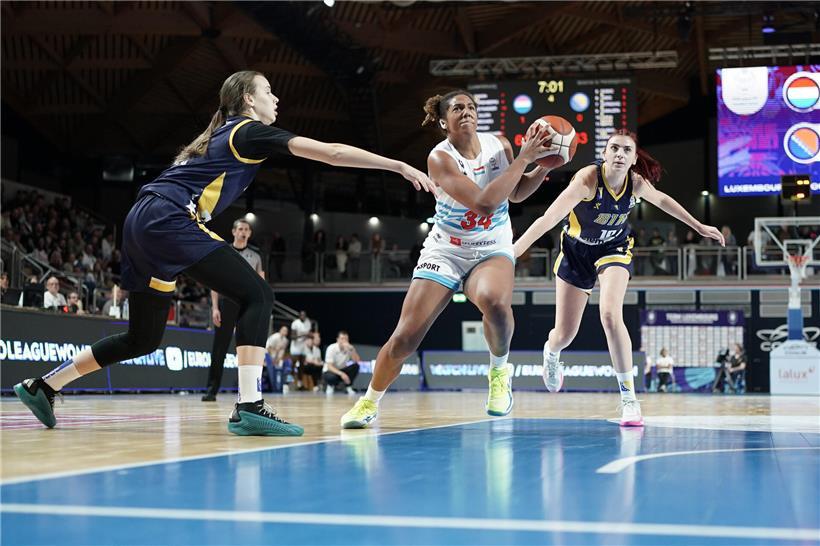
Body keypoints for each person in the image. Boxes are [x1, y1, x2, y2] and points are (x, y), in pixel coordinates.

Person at [13, 70, 435, 437]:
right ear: (248, 99)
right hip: (166, 218)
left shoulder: (219, 136)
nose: (276, 98)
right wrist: (397, 166)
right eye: (268, 91)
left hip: (142, 222)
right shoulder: (246, 131)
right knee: (259, 295)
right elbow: (332, 152)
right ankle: (250, 406)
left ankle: (43, 386)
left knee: (142, 338)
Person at [340, 89, 555, 428]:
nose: (466, 111)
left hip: (491, 244)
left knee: (495, 303)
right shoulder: (439, 158)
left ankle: (499, 373)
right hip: (447, 249)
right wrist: (525, 159)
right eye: (457, 108)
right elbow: (484, 203)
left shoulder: (500, 144)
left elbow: (514, 194)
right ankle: (369, 402)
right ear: (443, 121)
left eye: (471, 106)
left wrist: (543, 167)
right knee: (405, 338)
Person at [512, 129, 725, 426]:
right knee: (564, 335)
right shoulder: (586, 180)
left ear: (633, 158)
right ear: (604, 153)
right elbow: (548, 219)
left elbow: (662, 201)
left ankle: (629, 400)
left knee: (611, 314)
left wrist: (699, 225)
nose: (620, 154)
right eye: (614, 148)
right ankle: (551, 353)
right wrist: (513, 251)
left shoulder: (635, 183)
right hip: (576, 252)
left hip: (614, 250)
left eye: (626, 150)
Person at [202, 218, 264, 402]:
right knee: (219, 349)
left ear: (250, 233)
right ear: (234, 231)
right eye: (240, 229)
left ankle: (247, 393)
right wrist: (214, 308)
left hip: (247, 305)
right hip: (226, 304)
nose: (243, 232)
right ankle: (211, 390)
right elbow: (215, 282)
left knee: (247, 350)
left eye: (247, 229)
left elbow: (262, 284)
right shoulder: (224, 252)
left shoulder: (256, 257)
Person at [324, 331, 361, 395]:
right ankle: (330, 386)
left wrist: (352, 349)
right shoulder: (331, 348)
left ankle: (348, 387)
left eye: (346, 339)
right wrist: (341, 374)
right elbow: (329, 366)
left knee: (356, 366)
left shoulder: (349, 348)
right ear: (337, 339)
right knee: (330, 377)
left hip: (342, 369)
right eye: (342, 339)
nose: (344, 341)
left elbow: (357, 360)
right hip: (330, 371)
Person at [289, 310, 312, 389]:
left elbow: (309, 334)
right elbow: (293, 337)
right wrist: (304, 334)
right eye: (301, 315)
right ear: (299, 316)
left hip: (303, 347)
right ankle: (289, 383)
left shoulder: (308, 322)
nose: (303, 316)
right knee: (293, 365)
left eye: (304, 315)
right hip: (295, 347)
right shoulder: (295, 323)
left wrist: (310, 336)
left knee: (302, 366)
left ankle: (300, 384)